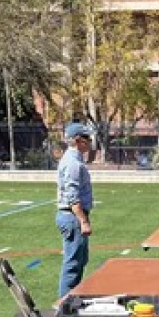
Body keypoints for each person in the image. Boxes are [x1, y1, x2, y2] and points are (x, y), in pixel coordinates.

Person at [56, 121, 94, 297]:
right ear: (78, 140)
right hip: (73, 217)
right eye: (88, 138)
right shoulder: (72, 163)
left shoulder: (74, 160)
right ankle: (65, 305)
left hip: (74, 216)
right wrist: (83, 221)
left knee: (79, 261)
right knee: (72, 264)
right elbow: (72, 196)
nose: (90, 142)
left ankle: (73, 299)